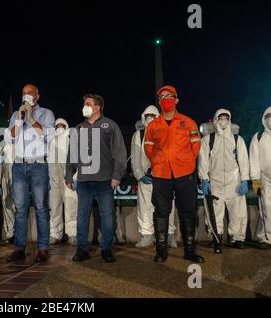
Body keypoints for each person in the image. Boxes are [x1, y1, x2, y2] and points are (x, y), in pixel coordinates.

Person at [144, 85, 204, 263]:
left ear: (176, 99)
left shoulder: (188, 122)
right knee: (161, 212)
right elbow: (148, 147)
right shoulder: (153, 125)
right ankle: (161, 251)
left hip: (185, 174)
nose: (166, 99)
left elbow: (195, 146)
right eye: (162, 96)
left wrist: (184, 162)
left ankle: (190, 250)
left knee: (188, 211)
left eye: (169, 96)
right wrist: (158, 162)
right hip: (161, 174)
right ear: (159, 102)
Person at [66, 94, 127, 263]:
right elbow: (73, 154)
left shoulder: (110, 125)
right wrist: (69, 174)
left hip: (105, 180)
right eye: (84, 103)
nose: (84, 106)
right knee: (82, 215)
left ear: (97, 107)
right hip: (84, 180)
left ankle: (106, 248)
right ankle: (82, 248)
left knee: (107, 215)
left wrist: (117, 175)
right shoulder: (79, 128)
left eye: (88, 104)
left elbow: (119, 152)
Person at [5, 84, 55, 263]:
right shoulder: (16, 114)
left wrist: (32, 118)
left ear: (37, 96)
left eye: (29, 93)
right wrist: (19, 119)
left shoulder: (47, 114)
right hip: (19, 165)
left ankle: (42, 248)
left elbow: (48, 134)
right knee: (20, 209)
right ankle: (19, 248)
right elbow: (10, 137)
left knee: (41, 207)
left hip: (38, 165)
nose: (26, 96)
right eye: (23, 93)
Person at [199, 109, 250, 251]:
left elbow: (243, 161)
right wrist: (204, 179)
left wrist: (244, 179)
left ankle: (238, 238)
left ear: (230, 120)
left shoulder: (237, 139)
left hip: (234, 182)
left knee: (238, 212)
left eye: (226, 117)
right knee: (215, 212)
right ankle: (216, 235)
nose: (223, 120)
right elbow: (203, 161)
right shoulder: (208, 140)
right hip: (215, 183)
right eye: (220, 117)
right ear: (215, 120)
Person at [131, 106, 177, 248]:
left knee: (167, 207)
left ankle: (168, 235)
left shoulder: (167, 132)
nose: (150, 118)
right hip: (146, 178)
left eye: (153, 115)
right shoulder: (138, 135)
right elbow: (135, 157)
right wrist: (139, 175)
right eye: (147, 115)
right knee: (145, 208)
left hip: (164, 177)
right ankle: (147, 235)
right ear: (143, 117)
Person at [48, 118, 78, 245]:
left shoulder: (71, 140)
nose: (59, 127)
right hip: (54, 179)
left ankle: (72, 234)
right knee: (54, 207)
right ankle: (55, 234)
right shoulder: (51, 141)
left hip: (69, 177)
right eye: (57, 126)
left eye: (62, 125)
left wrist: (73, 176)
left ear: (66, 127)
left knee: (71, 205)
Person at [250, 106, 271, 249]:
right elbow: (254, 160)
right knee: (266, 207)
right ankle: (267, 238)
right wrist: (255, 180)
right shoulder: (258, 137)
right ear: (264, 119)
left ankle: (263, 235)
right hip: (265, 177)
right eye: (268, 116)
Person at [0, 138, 16, 243]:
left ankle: (19, 233)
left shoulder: (22, 146)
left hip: (18, 180)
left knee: (18, 206)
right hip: (5, 180)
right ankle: (10, 234)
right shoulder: (2, 148)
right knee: (7, 207)